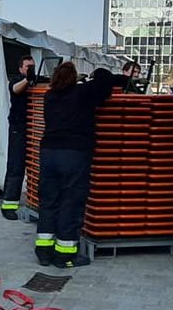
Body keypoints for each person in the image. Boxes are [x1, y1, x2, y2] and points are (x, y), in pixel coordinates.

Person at [34, 61, 135, 268]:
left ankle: (44, 251)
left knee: (49, 200)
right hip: (74, 153)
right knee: (70, 201)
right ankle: (65, 255)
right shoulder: (82, 93)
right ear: (75, 78)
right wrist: (94, 74)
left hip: (48, 152)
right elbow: (104, 78)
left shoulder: (49, 96)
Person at [1, 56, 41, 220]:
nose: (30, 69)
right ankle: (9, 204)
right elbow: (16, 89)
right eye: (27, 67)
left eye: (32, 66)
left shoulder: (35, 81)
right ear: (20, 68)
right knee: (16, 165)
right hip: (19, 129)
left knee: (34, 165)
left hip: (33, 129)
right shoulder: (18, 80)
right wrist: (27, 79)